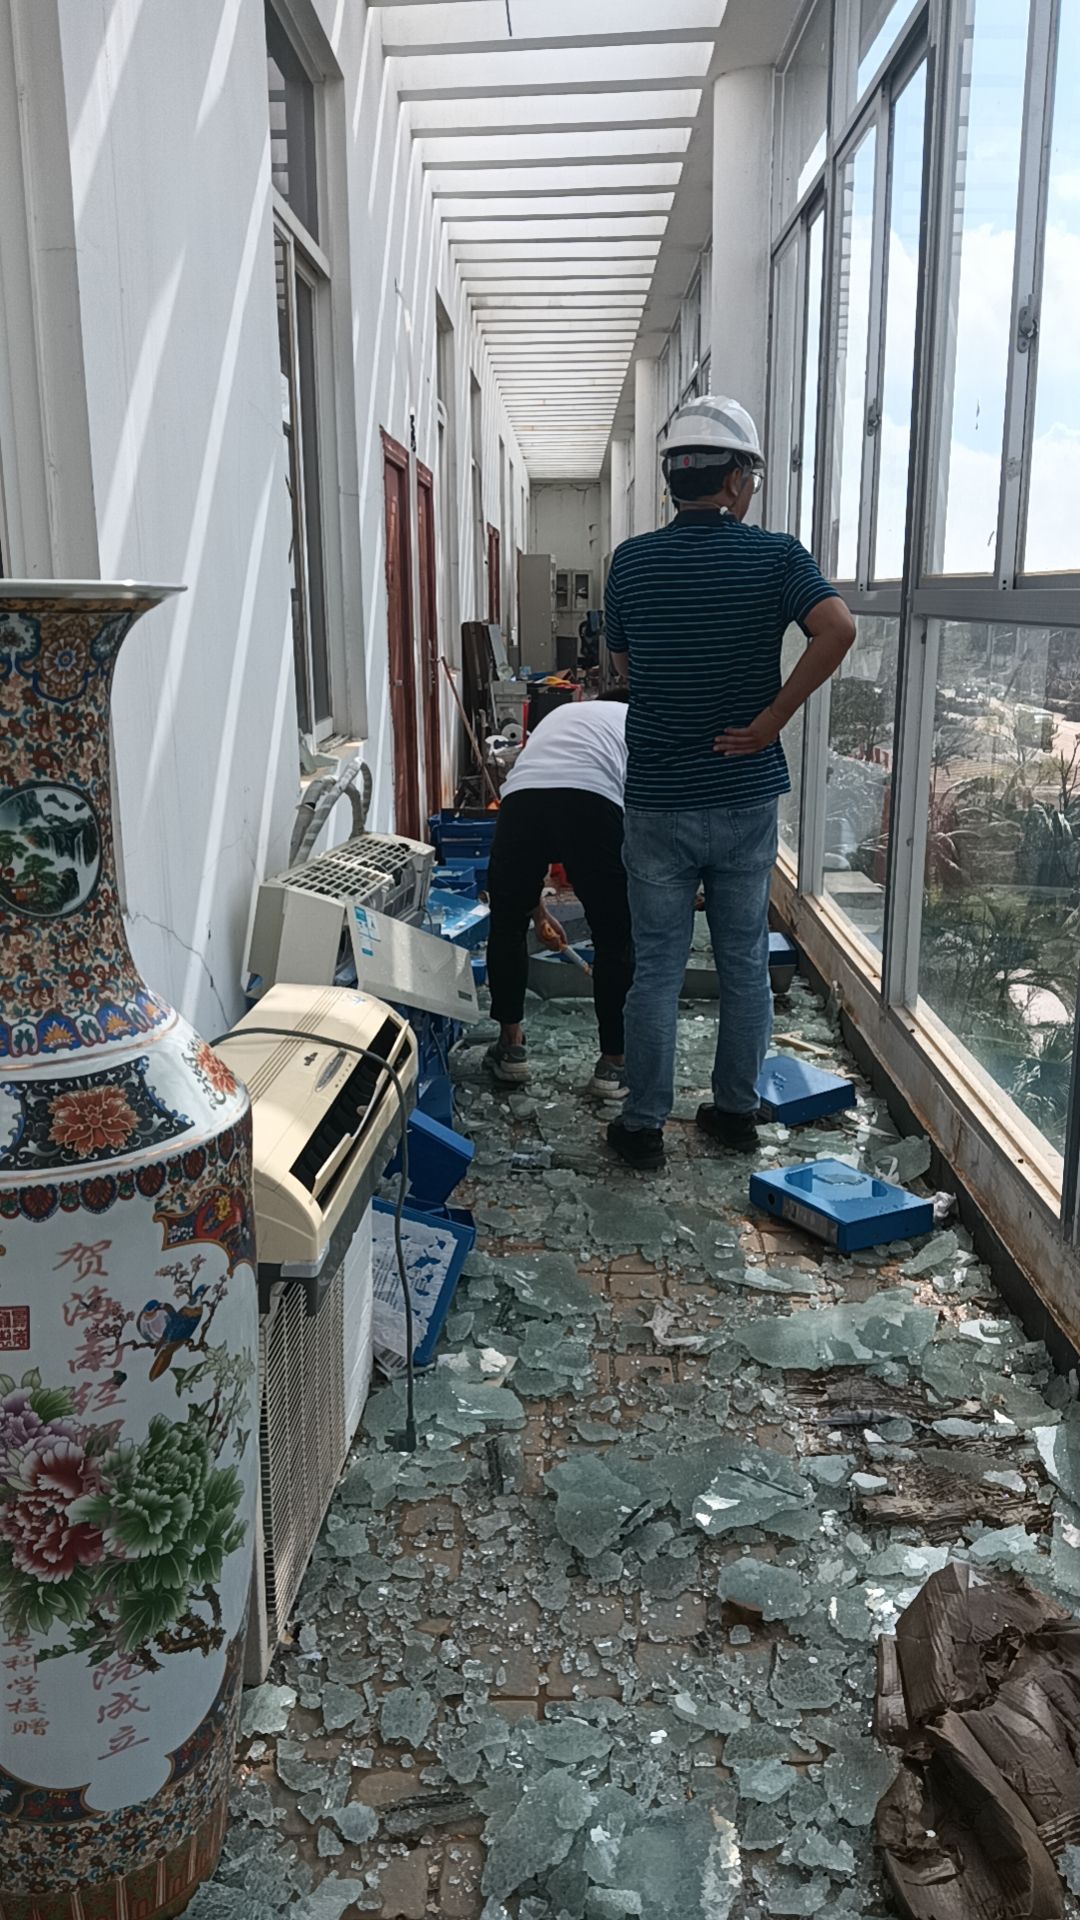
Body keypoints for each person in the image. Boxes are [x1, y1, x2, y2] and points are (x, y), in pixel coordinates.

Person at [604, 394, 856, 1171]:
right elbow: (838, 628)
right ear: (737, 480)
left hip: (658, 795)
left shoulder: (630, 563)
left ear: (672, 479)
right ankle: (736, 1114)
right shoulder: (777, 557)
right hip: (745, 791)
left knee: (657, 964)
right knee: (744, 959)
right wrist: (772, 717)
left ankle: (643, 1127)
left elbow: (622, 666)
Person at [484, 691, 633, 1100]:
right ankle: (614, 1065)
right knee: (613, 938)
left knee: (506, 925)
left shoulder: (565, 715)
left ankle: (511, 1048)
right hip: (593, 801)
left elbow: (545, 798)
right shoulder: (634, 719)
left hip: (521, 801)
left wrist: (536, 913)